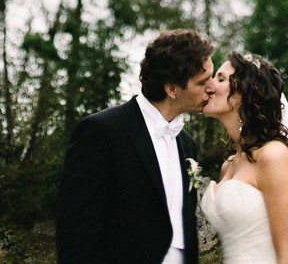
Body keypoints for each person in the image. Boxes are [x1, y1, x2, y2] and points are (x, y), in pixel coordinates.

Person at [56, 29, 214, 264]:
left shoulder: (187, 144)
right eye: (203, 82)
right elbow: (76, 233)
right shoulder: (101, 132)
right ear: (172, 89)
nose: (212, 87)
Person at [199, 52, 288, 264]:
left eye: (221, 78)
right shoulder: (229, 165)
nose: (209, 86)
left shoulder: (272, 155)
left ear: (246, 93)